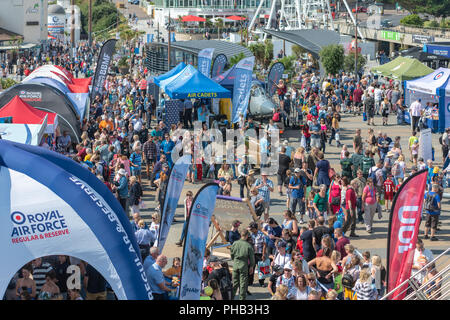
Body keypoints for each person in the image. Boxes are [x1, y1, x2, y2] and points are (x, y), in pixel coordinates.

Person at [230, 230, 255, 300]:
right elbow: (251, 258)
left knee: (234, 283)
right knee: (243, 284)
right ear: (247, 236)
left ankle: (231, 297)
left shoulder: (235, 243)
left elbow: (232, 254)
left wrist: (235, 260)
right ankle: (242, 299)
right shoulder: (248, 245)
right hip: (243, 265)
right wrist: (251, 266)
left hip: (235, 264)